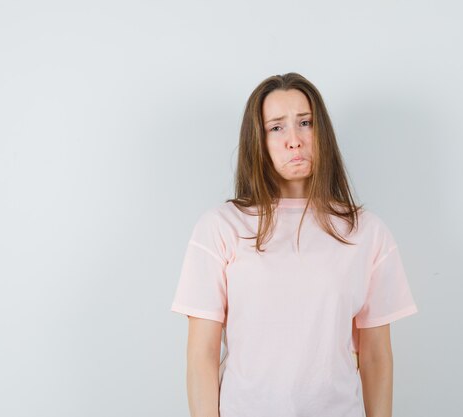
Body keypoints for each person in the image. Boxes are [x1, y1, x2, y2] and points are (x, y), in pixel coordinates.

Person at [170, 72, 418, 417]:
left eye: (305, 123)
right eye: (276, 127)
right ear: (258, 140)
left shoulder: (366, 233)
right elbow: (202, 355)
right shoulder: (221, 227)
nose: (294, 140)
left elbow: (376, 356)